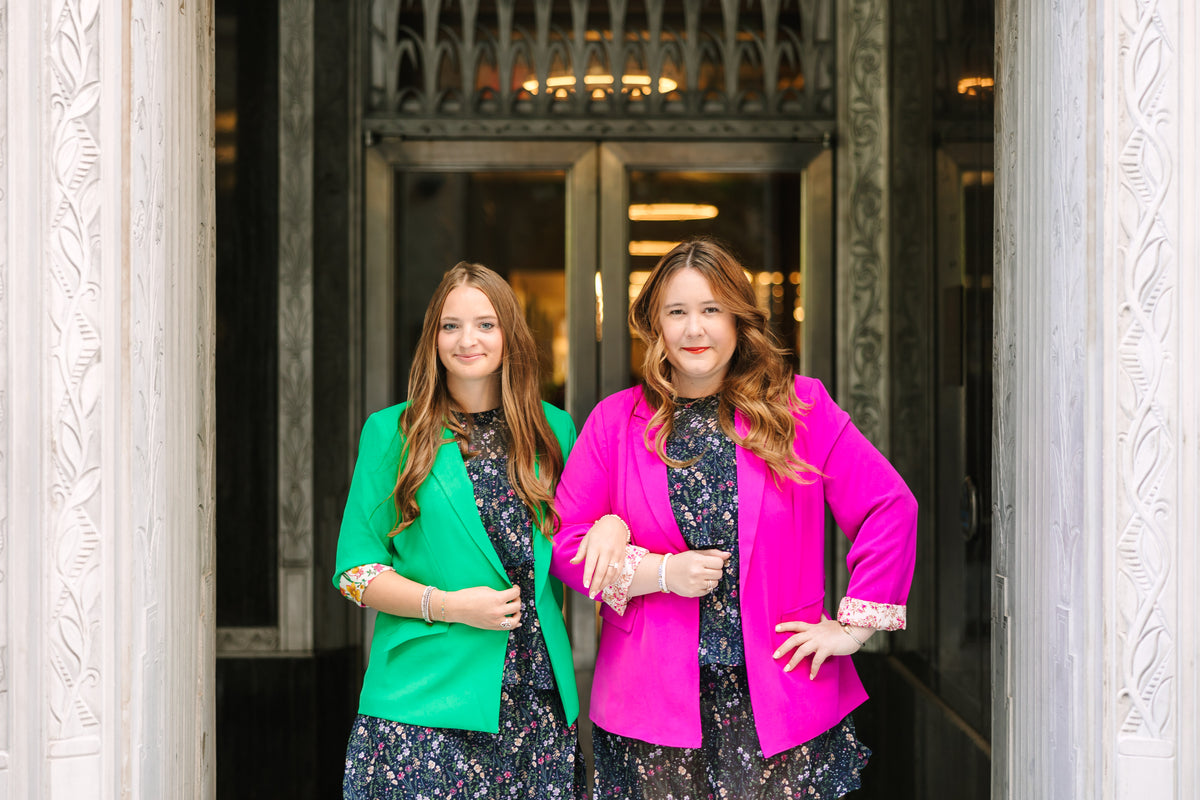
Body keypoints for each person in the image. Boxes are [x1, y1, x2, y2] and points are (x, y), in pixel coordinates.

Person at [552, 237, 918, 799]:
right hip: (652, 703)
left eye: (711, 310)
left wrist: (855, 627)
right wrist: (659, 572)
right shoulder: (613, 422)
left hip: (781, 695)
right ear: (656, 324)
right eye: (677, 312)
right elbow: (564, 543)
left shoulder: (800, 408)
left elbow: (889, 506)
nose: (694, 329)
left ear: (738, 319)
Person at [335, 262, 585, 799]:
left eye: (485, 324)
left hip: (537, 701)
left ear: (509, 336)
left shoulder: (554, 430)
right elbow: (355, 573)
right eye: (451, 325)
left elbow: (577, 538)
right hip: (422, 703)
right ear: (433, 337)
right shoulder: (391, 432)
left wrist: (611, 524)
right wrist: (449, 605)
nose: (467, 339)